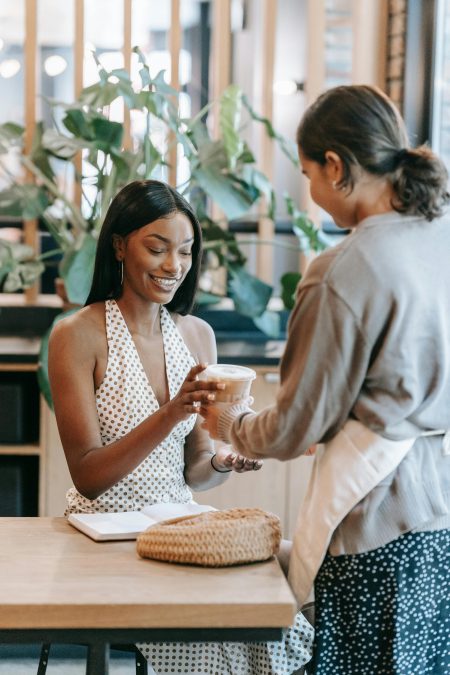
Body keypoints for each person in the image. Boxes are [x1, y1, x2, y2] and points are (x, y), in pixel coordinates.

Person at [201, 85, 450, 675]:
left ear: (336, 166)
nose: (311, 192)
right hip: (440, 517)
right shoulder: (440, 239)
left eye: (310, 173)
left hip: (373, 523)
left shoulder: (343, 269)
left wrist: (232, 424)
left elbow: (293, 425)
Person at [48, 179, 313, 675]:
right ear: (120, 245)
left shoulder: (196, 335)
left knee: (307, 570)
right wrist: (171, 412)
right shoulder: (77, 334)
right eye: (158, 248)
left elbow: (195, 471)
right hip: (106, 533)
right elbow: (88, 475)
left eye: (186, 252)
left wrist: (223, 459)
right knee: (231, 611)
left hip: (178, 521)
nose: (174, 266)